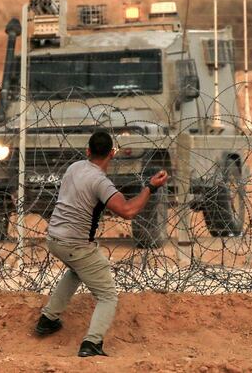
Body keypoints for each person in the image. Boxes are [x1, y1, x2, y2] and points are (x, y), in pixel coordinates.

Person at [34, 130, 169, 357]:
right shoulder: (100, 182)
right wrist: (151, 187)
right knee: (107, 295)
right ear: (112, 154)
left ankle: (48, 319)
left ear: (87, 151)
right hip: (76, 244)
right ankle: (92, 344)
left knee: (78, 271)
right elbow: (128, 211)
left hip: (54, 237)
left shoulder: (74, 167)